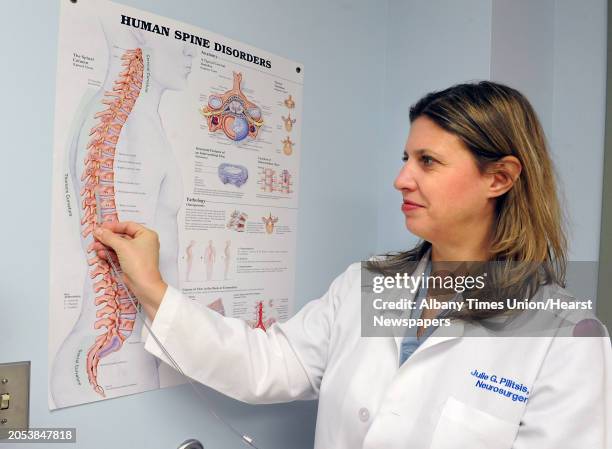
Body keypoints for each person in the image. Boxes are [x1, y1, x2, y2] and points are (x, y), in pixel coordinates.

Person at [91, 81, 611, 449]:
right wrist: (153, 287)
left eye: (427, 162)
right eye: (405, 159)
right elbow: (269, 365)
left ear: (499, 178)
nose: (402, 179)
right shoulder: (373, 286)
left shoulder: (563, 336)